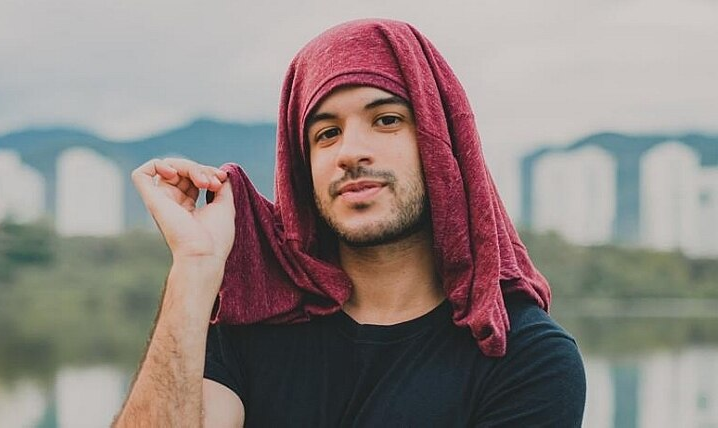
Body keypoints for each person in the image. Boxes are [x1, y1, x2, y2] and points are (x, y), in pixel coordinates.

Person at [114, 19, 586, 427]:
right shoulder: (253, 324)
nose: (349, 152)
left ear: (441, 146)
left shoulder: (524, 356)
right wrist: (194, 271)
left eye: (386, 120)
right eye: (326, 133)